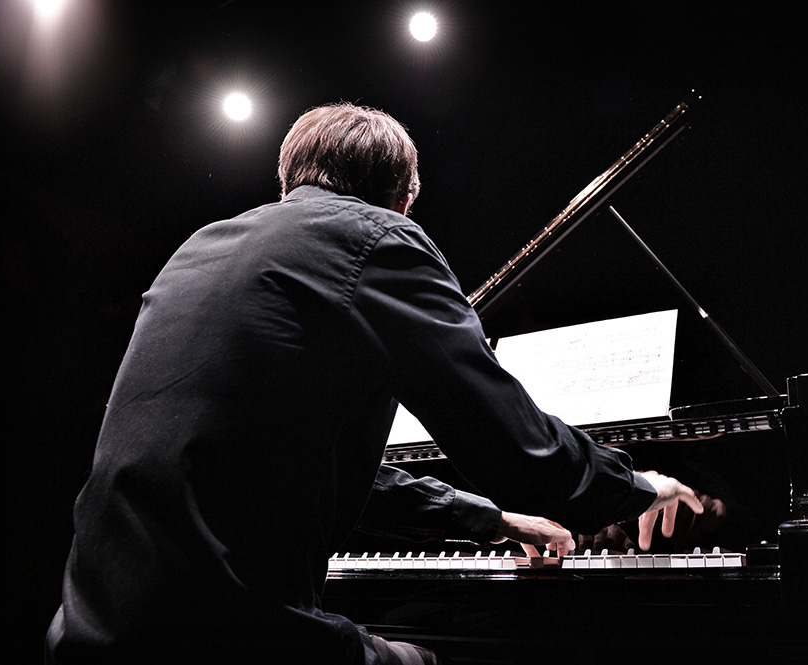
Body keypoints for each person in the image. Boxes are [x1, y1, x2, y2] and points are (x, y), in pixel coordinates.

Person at [44, 102, 702, 665]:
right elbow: (521, 451)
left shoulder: (198, 250)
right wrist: (640, 486)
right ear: (405, 197)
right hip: (230, 634)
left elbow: (309, 465)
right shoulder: (382, 239)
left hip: (91, 629)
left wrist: (491, 520)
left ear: (289, 183)